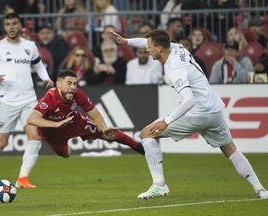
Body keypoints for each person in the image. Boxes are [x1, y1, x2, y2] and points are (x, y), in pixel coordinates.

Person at [111, 29, 268, 200]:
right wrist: (126, 41)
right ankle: (260, 189)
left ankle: (159, 185)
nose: (146, 49)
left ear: (159, 48)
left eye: (149, 47)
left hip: (197, 113)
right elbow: (150, 41)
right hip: (214, 109)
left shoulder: (174, 70)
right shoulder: (178, 48)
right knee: (230, 149)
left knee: (146, 133)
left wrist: (167, 121)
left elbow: (189, 101)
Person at [0, 13, 54, 188]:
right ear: (4, 27)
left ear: (20, 25)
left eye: (14, 23)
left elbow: (38, 65)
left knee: (35, 136)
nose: (11, 27)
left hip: (29, 99)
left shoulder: (30, 46)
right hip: (7, 100)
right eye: (8, 24)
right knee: (0, 144)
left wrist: (46, 78)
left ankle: (22, 179)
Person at [27, 69, 144, 158]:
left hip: (72, 122)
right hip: (52, 133)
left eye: (75, 84)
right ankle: (65, 144)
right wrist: (56, 124)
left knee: (108, 136)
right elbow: (31, 119)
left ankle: (140, 148)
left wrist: (103, 129)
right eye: (69, 83)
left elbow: (96, 115)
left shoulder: (79, 95)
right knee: (66, 154)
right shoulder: (50, 98)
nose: (73, 87)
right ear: (58, 84)